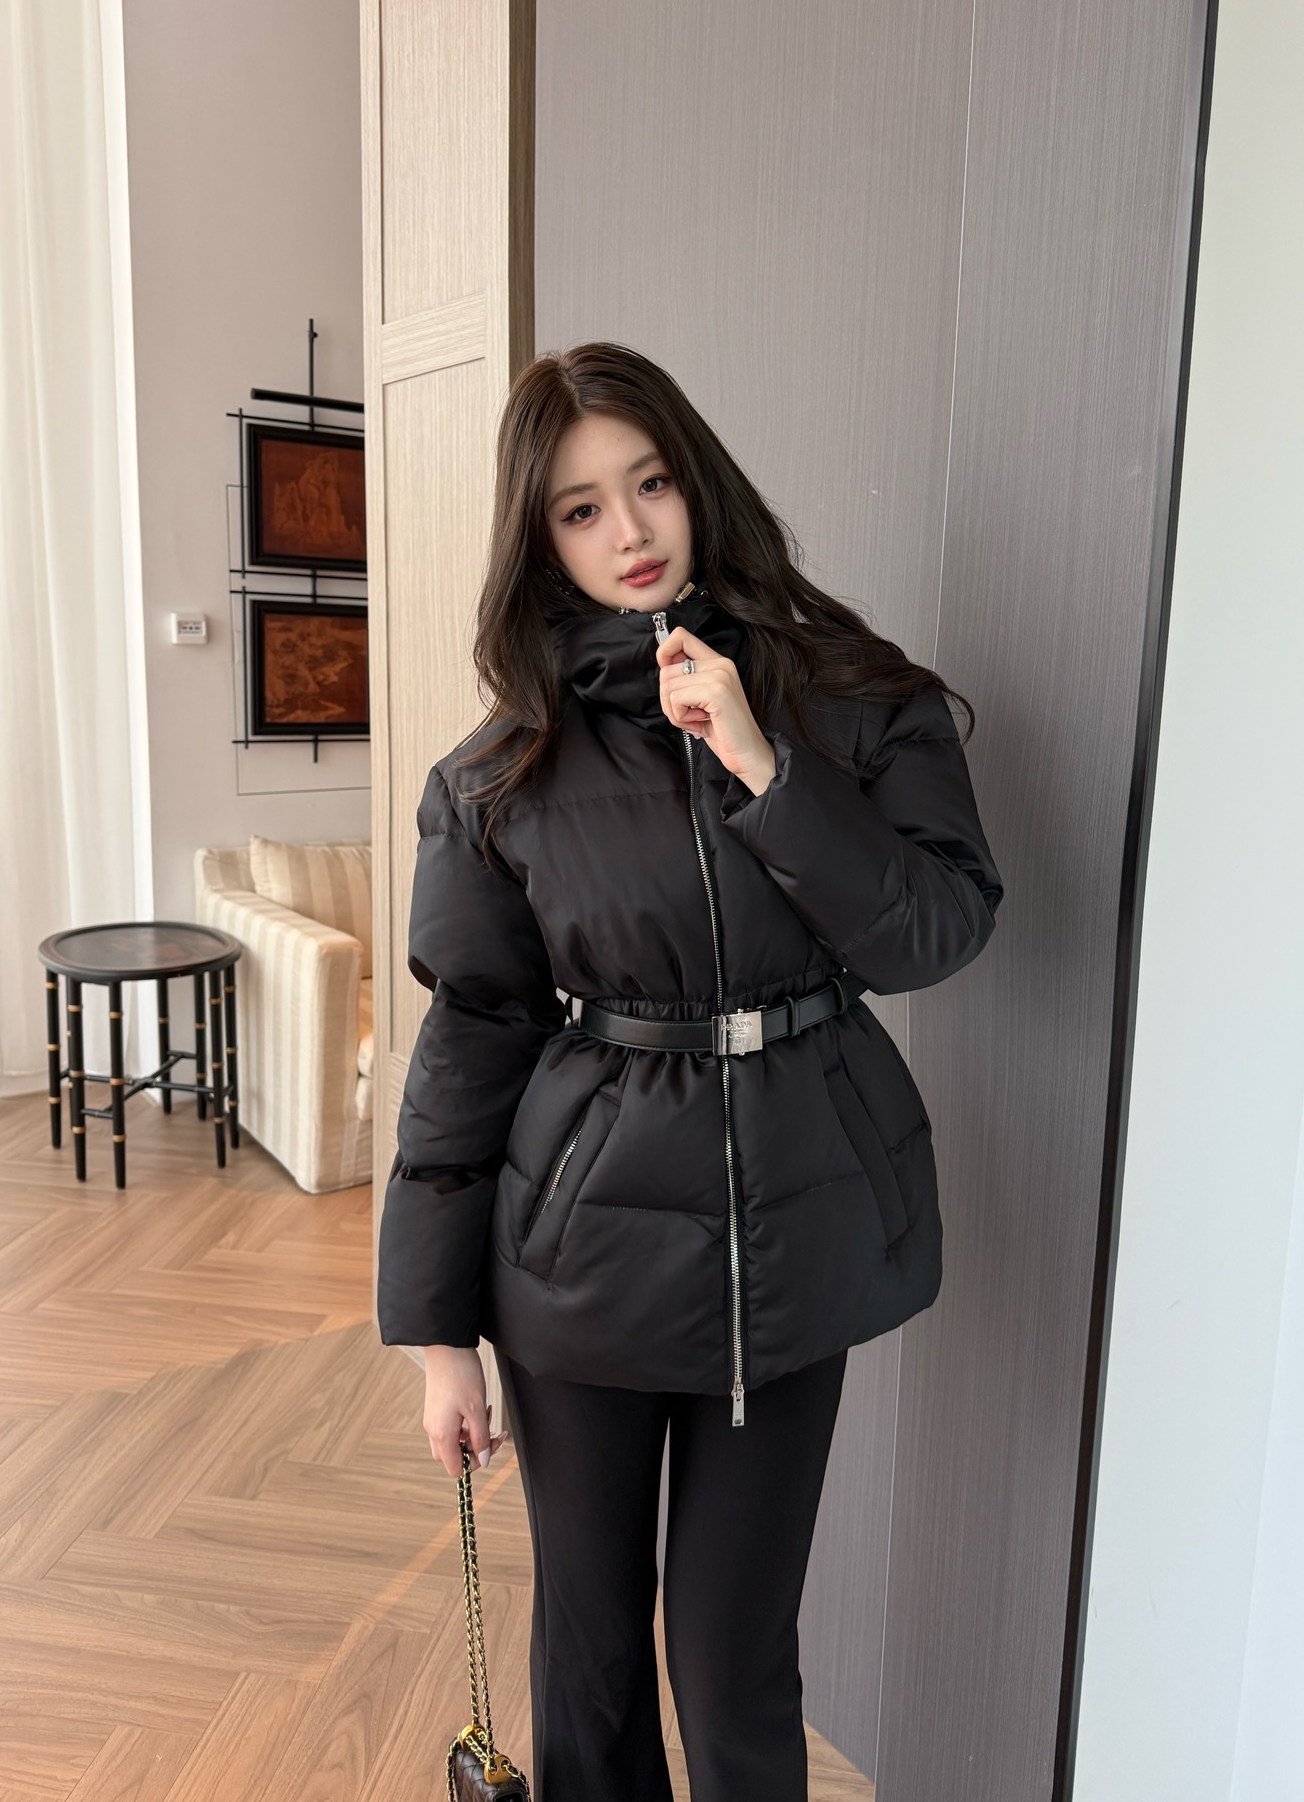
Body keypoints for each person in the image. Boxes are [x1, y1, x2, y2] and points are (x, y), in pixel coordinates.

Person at [376, 341, 1004, 1800]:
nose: (631, 531)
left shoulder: (857, 701)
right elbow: (473, 1038)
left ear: (698, 481)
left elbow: (935, 929)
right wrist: (437, 1333)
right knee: (591, 1657)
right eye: (581, 508)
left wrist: (766, 766)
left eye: (650, 482)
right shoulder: (498, 776)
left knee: (734, 1666)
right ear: (539, 542)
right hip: (577, 1258)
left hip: (795, 1242)